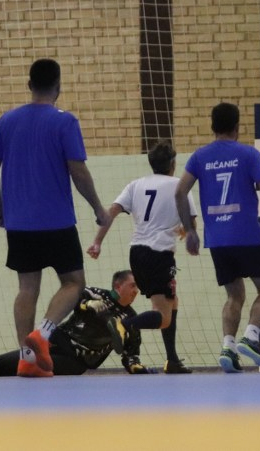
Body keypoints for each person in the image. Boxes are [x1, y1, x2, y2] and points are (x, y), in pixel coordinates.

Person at [0, 58, 112, 378]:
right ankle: (42, 335)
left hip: (19, 223)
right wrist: (98, 208)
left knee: (27, 288)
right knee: (74, 283)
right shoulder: (64, 122)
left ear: (29, 85)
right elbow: (78, 171)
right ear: (59, 86)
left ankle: (27, 359)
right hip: (56, 221)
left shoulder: (6, 121)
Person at [175, 102, 260, 373]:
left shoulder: (199, 157)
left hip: (218, 240)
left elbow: (179, 192)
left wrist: (190, 230)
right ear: (237, 126)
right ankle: (251, 337)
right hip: (247, 235)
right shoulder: (248, 154)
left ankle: (228, 347)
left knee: (234, 296)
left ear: (212, 126)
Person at [87, 140, 198, 374]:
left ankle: (172, 360)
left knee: (172, 301)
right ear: (173, 164)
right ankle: (123, 324)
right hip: (160, 255)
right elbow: (191, 225)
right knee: (163, 317)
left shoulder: (135, 185)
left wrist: (97, 242)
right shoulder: (180, 186)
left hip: (136, 253)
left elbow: (111, 212)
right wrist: (187, 232)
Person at [0, 270, 151, 377]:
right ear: (118, 286)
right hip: (62, 338)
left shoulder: (131, 318)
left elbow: (131, 354)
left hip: (79, 360)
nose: (136, 290)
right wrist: (87, 305)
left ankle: (0, 369)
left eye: (137, 286)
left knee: (45, 367)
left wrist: (136, 367)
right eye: (132, 285)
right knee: (34, 353)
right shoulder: (94, 294)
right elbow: (71, 300)